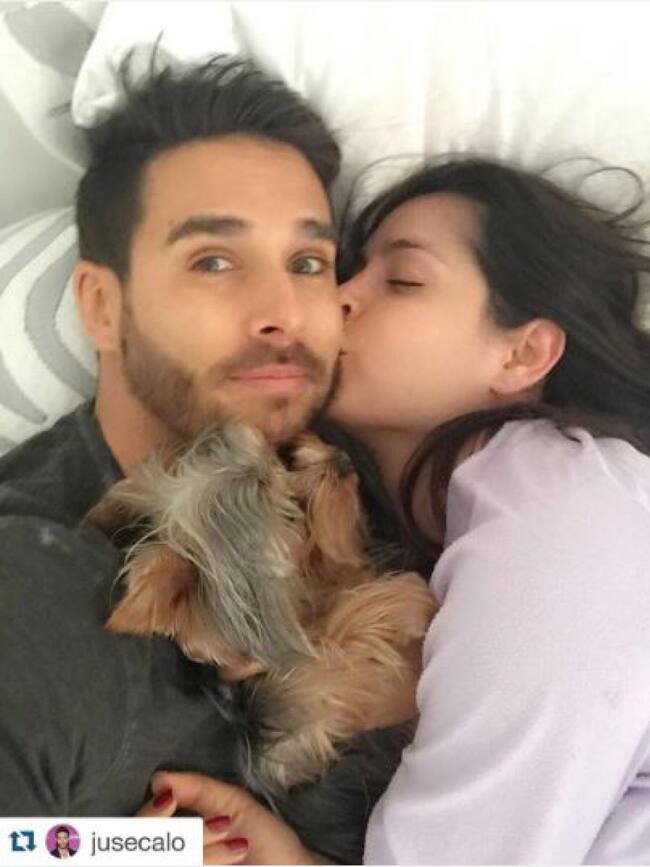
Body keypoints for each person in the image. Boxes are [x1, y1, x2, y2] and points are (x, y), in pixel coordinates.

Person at [138, 157, 650, 865]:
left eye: (402, 280)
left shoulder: (567, 520)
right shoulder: (481, 526)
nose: (338, 298)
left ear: (524, 353)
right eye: (346, 272)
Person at [0, 49, 350, 826]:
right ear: (102, 307)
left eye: (307, 261)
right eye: (213, 260)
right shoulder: (35, 594)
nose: (282, 312)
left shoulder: (367, 484)